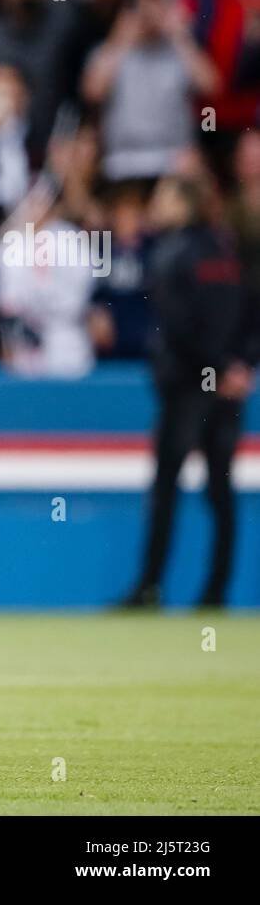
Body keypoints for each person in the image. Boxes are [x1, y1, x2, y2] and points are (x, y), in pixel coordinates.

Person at [123, 175, 260, 609]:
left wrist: (216, 368)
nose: (155, 205)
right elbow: (251, 315)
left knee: (167, 489)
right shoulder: (230, 252)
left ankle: (149, 588)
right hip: (226, 390)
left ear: (184, 205)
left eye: (163, 196)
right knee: (219, 491)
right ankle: (215, 592)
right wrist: (238, 367)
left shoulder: (171, 254)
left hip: (186, 388)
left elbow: (177, 325)